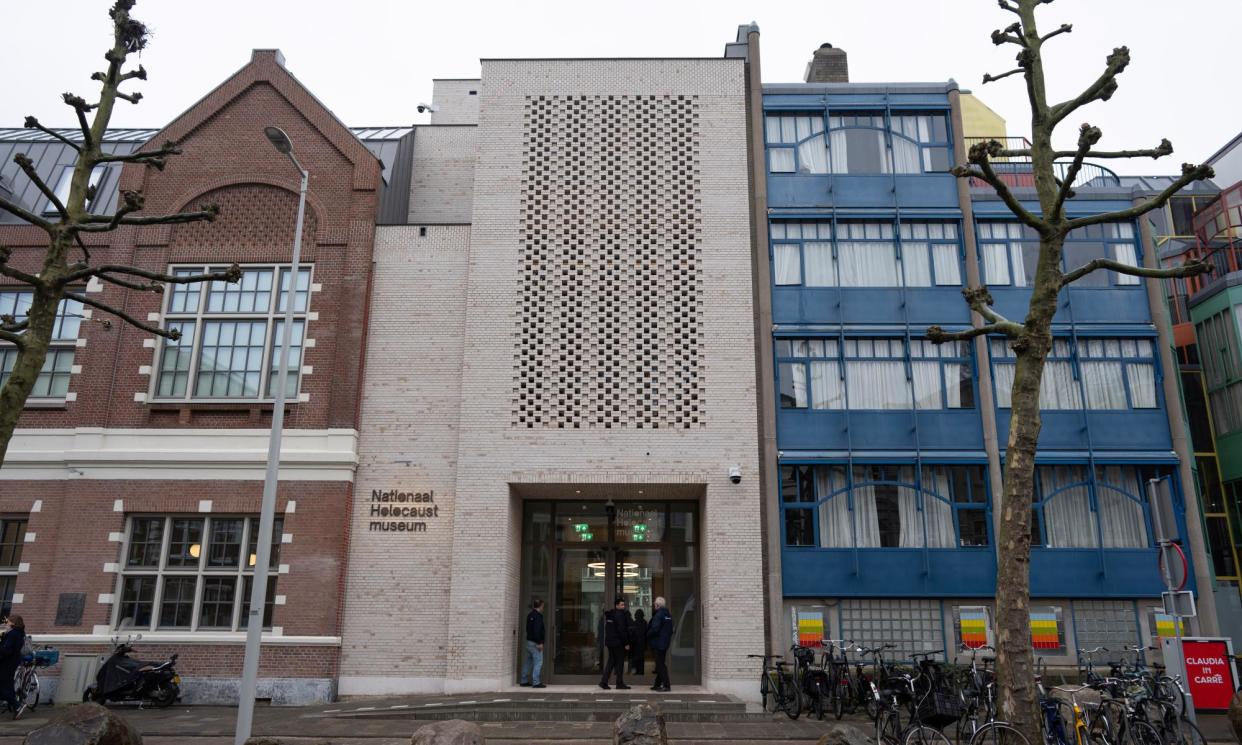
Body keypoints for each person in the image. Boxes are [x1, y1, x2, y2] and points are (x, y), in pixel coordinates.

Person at [598, 597, 631, 690]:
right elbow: (622, 631)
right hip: (618, 643)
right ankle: (619, 683)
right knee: (620, 663)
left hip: (610, 642)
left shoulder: (610, 615)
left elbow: (608, 629)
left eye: (624, 604)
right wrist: (626, 643)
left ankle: (603, 682)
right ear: (616, 605)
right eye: (621, 604)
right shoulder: (620, 615)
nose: (623, 606)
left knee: (611, 661)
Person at [0, 616, 26, 719]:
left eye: (8, 622)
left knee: (2, 687)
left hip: (5, 664)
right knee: (8, 686)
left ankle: (17, 705)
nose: (6, 624)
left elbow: (6, 650)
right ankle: (15, 706)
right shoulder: (19, 633)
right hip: (12, 663)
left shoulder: (12, 634)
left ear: (13, 623)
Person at [646, 597, 673, 692]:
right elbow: (670, 630)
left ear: (657, 605)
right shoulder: (668, 615)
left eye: (654, 604)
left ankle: (666, 685)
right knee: (660, 663)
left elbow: (655, 629)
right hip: (665, 643)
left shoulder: (659, 615)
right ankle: (657, 684)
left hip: (658, 643)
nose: (654, 606)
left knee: (660, 665)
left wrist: (647, 634)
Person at [519, 598, 546, 688]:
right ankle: (536, 682)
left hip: (529, 642)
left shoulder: (530, 614)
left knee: (528, 661)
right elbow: (537, 630)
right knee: (538, 662)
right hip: (535, 643)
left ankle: (524, 680)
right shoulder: (538, 616)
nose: (543, 607)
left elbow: (529, 629)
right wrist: (539, 642)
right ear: (541, 606)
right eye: (543, 606)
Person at [628, 608, 648, 676]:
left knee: (635, 660)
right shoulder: (645, 623)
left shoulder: (634, 623)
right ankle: (641, 673)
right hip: (642, 644)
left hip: (635, 644)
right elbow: (646, 634)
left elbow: (631, 634)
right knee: (641, 660)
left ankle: (635, 673)